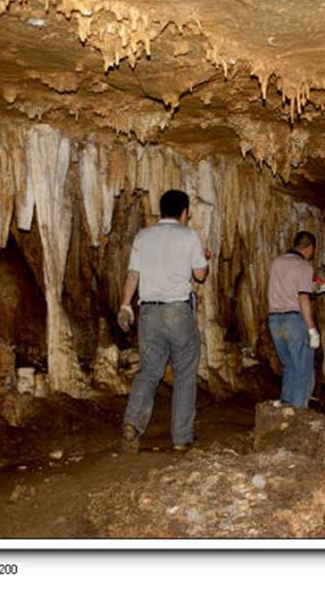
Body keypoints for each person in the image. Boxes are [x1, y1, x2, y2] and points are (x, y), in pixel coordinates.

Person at [116, 190, 211, 453]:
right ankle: (181, 437)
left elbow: (133, 275)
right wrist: (207, 258)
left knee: (148, 371)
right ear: (184, 212)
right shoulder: (188, 235)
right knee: (184, 374)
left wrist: (125, 305)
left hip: (149, 313)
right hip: (178, 312)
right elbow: (200, 275)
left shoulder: (144, 236)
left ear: (161, 210)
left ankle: (132, 424)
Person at [266, 231, 321, 408]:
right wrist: (312, 329)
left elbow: (284, 287)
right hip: (294, 320)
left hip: (275, 321)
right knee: (303, 368)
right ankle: (298, 411)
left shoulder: (277, 262)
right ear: (309, 248)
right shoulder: (304, 266)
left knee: (288, 366)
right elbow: (303, 298)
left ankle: (285, 405)